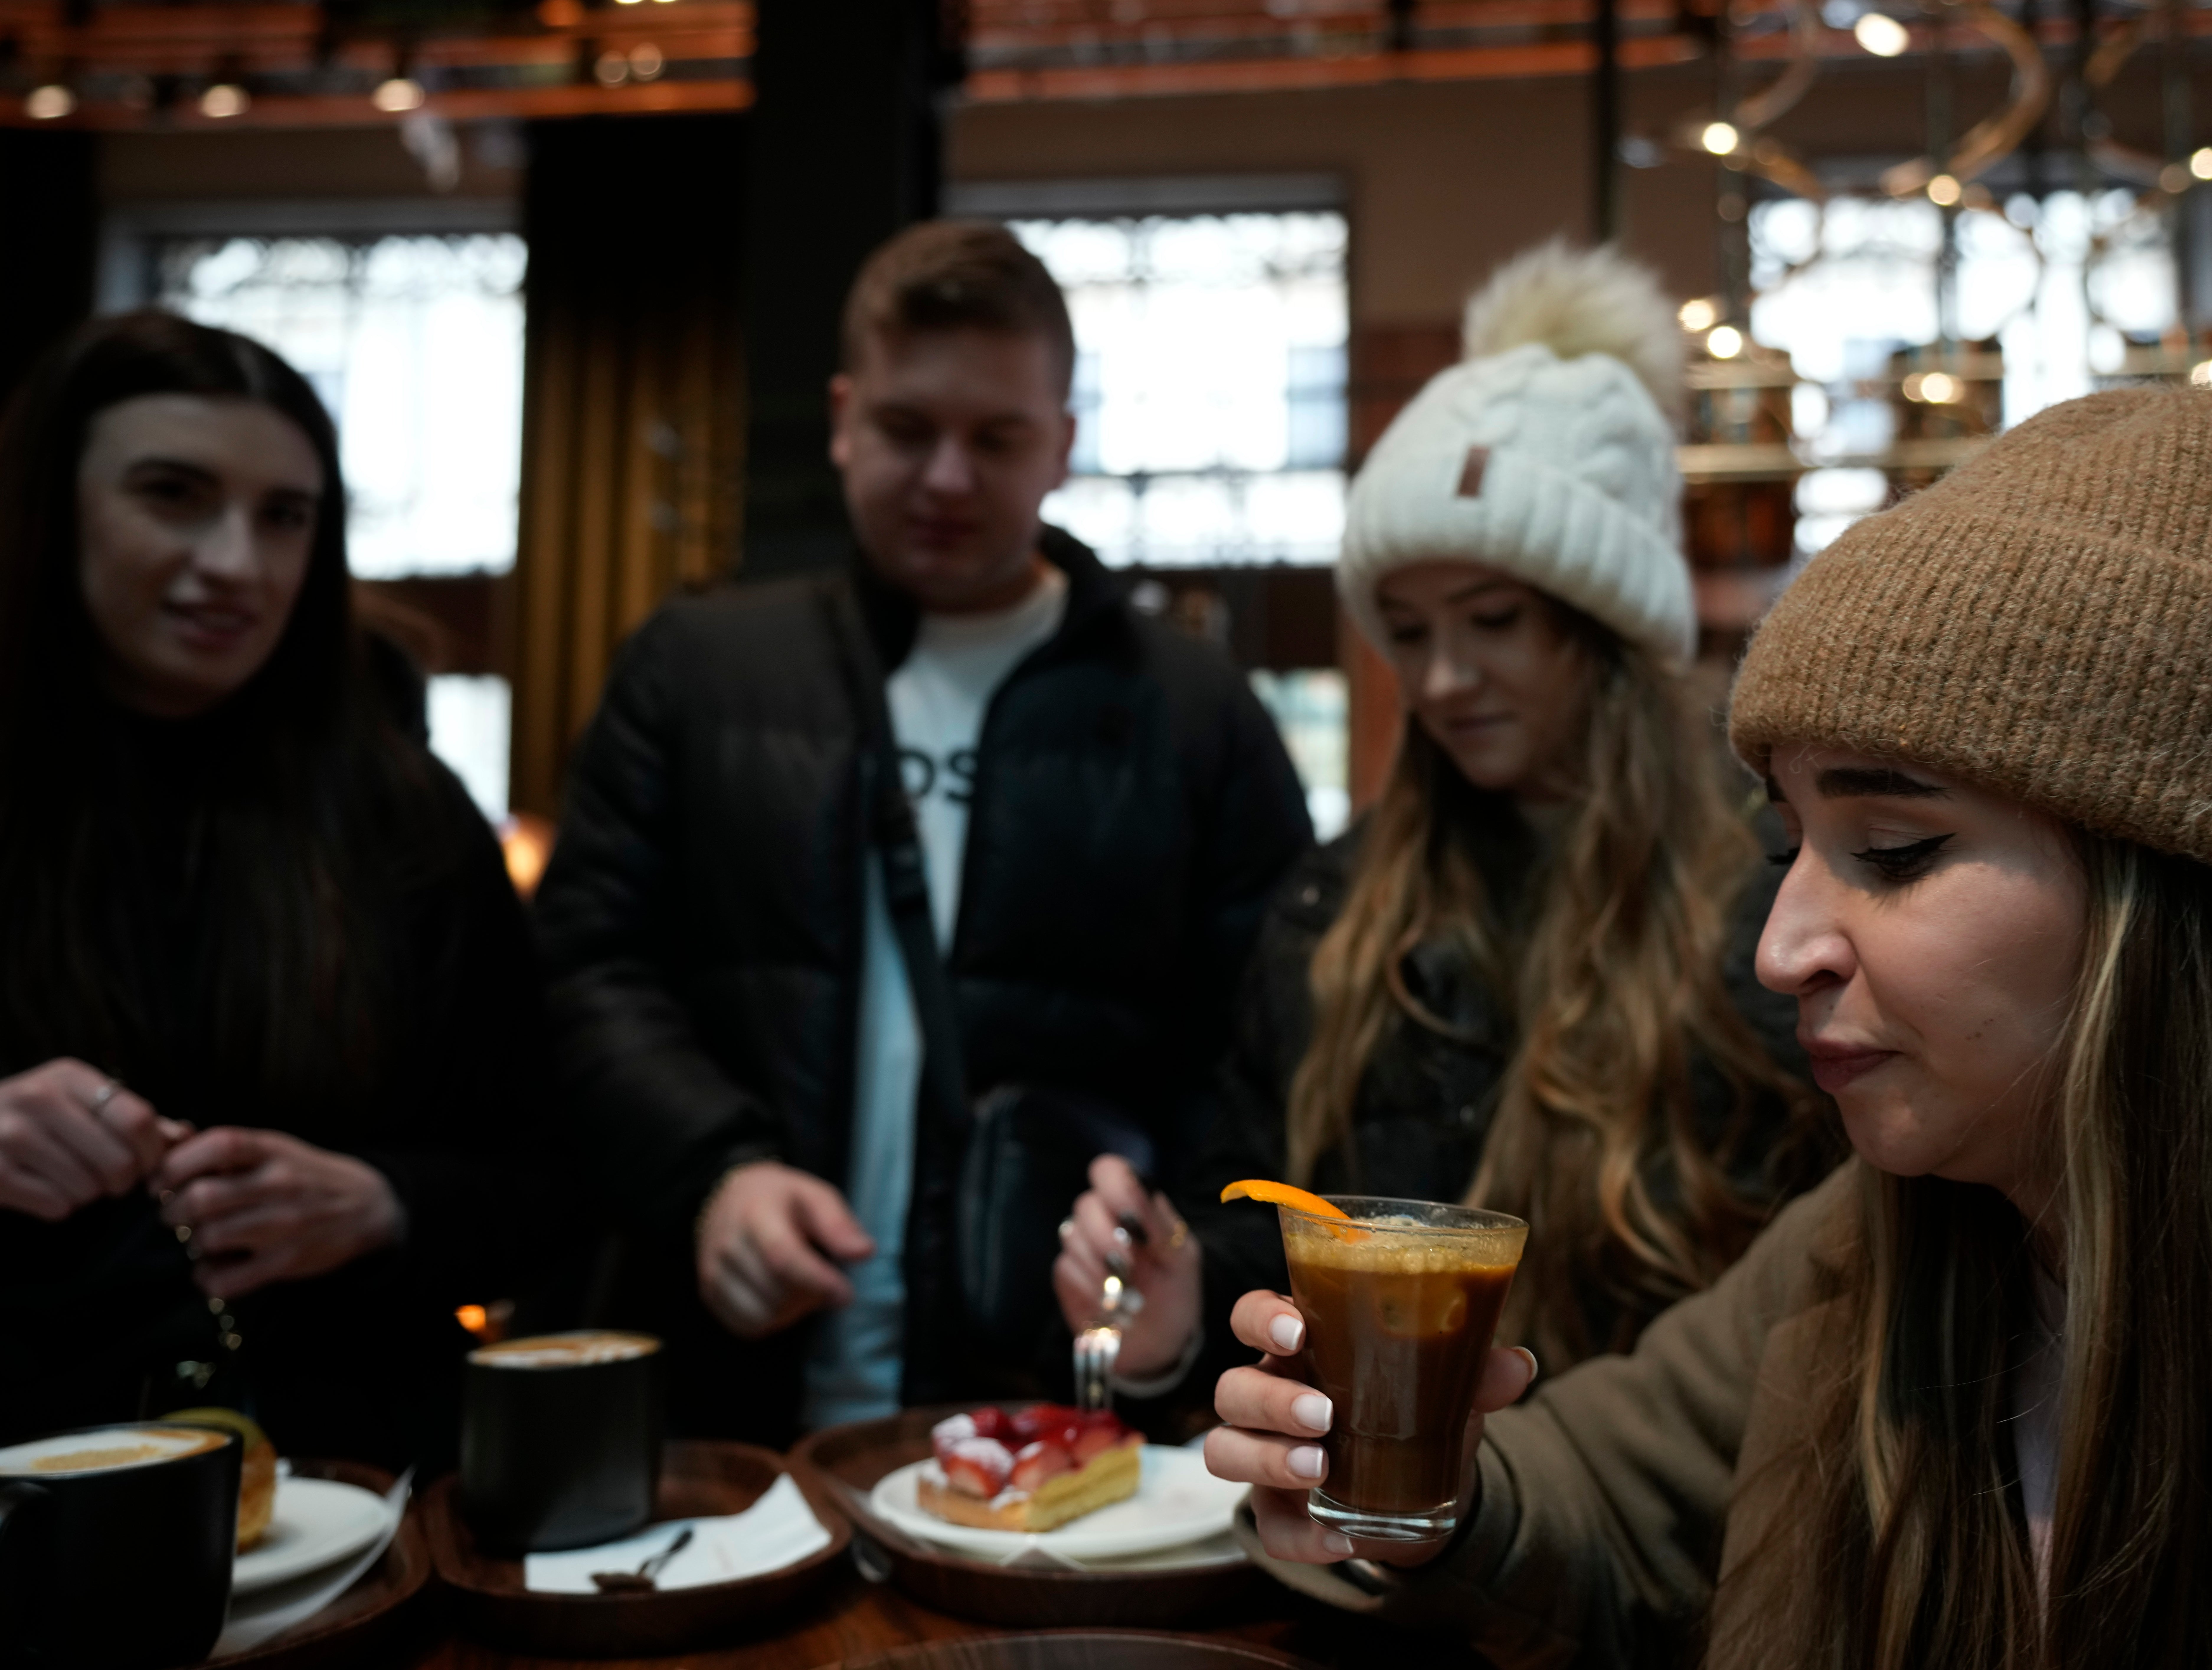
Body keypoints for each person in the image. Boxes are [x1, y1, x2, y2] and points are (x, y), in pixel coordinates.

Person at [1207, 387, 2212, 1666]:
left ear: (2176, 896)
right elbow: (1596, 1492)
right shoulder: (1868, 1245)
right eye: (1789, 843)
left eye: (1892, 849)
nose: (1779, 946)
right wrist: (1422, 1498)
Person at [534, 220, 1312, 1445]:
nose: (947, 476)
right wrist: (713, 1168)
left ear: (1060, 443)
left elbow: (1268, 1056)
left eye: (995, 437)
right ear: (843, 418)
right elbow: (584, 966)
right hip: (724, 1398)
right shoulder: (697, 668)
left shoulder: (1192, 711)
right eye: (907, 429)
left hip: (1056, 1414)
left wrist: (1194, 1268)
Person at [1054, 244, 1830, 1407]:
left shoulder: (1772, 895)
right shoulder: (1337, 905)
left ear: (1600, 625)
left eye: (1492, 618)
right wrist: (1175, 1317)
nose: (1446, 676)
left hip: (1677, 1550)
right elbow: (1263, 1250)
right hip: (1377, 1544)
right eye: (1407, 631)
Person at [0, 312, 555, 1469]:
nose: (238, 563)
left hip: (344, 1498)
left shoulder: (404, 809)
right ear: (54, 505)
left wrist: (383, 1200)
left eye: (285, 517)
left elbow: (545, 1170)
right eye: (173, 494)